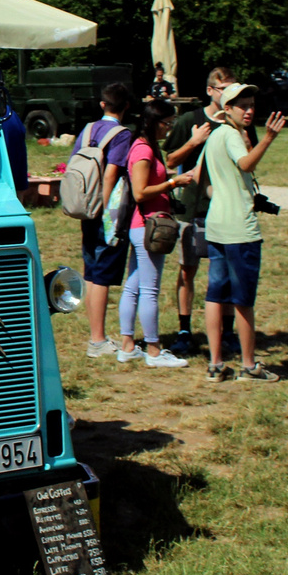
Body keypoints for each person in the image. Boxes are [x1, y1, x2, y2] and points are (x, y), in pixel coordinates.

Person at [163, 67, 257, 355]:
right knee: (188, 269)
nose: (227, 92)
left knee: (225, 274)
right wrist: (194, 142)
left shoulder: (241, 120)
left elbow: (249, 160)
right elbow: (169, 160)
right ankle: (184, 329)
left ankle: (227, 332)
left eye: (232, 87)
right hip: (192, 208)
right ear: (210, 91)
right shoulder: (191, 119)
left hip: (226, 211)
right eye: (222, 88)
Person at [201, 83, 285, 382]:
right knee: (243, 300)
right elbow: (246, 163)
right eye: (242, 106)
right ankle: (249, 366)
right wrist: (269, 139)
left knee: (215, 295)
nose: (249, 111)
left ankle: (215, 364)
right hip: (240, 231)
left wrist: (225, 195)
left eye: (251, 105)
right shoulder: (232, 135)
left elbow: (201, 180)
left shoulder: (213, 136)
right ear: (228, 110)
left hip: (216, 226)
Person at [117, 99, 196, 367]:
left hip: (143, 227)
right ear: (154, 122)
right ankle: (153, 350)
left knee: (133, 286)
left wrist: (167, 177)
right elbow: (140, 192)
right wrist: (173, 182)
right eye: (167, 124)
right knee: (149, 290)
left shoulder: (146, 148)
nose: (169, 129)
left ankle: (128, 346)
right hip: (149, 227)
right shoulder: (143, 150)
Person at [75, 82, 134, 358]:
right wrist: (103, 203)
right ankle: (98, 340)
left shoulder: (88, 129)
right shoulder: (122, 135)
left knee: (90, 269)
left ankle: (94, 334)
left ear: (102, 104)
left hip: (84, 205)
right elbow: (112, 172)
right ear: (127, 107)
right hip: (105, 211)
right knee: (102, 274)